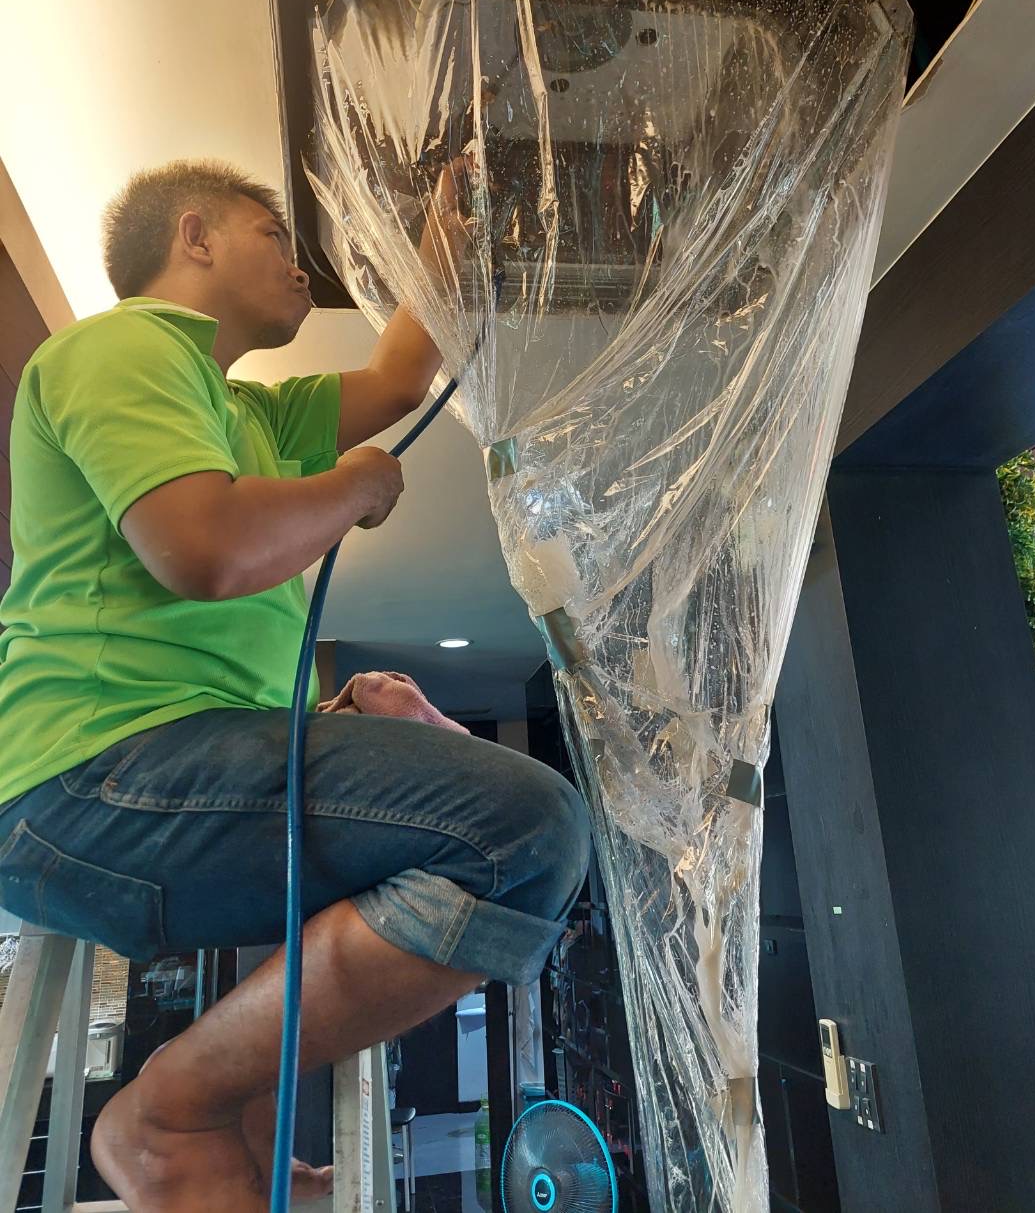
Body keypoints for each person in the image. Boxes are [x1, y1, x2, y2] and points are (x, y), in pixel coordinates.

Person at [0, 160, 592, 1211]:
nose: (299, 263)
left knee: (492, 827)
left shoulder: (253, 416)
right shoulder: (122, 346)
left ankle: (221, 1118)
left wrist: (442, 247)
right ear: (193, 236)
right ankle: (172, 1112)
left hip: (157, 772)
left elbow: (398, 379)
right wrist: (351, 484)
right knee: (524, 830)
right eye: (274, 234)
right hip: (84, 780)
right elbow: (205, 548)